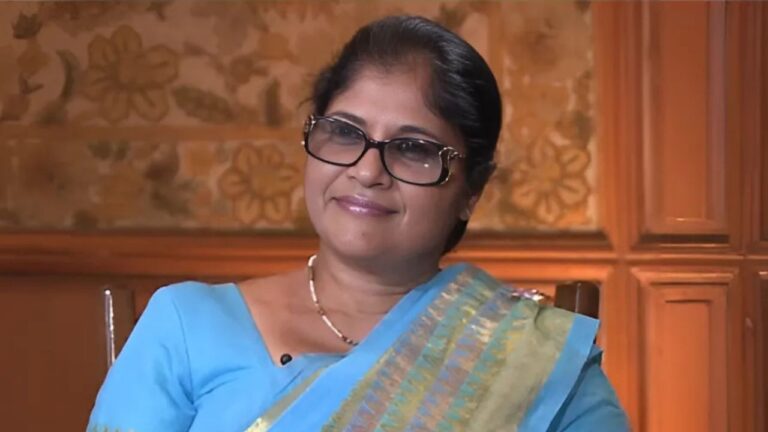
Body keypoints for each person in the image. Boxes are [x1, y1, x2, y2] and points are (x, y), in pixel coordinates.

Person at [87, 15, 629, 432]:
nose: (368, 171)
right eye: (345, 133)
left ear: (471, 191)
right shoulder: (188, 325)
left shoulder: (529, 358)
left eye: (413, 148)